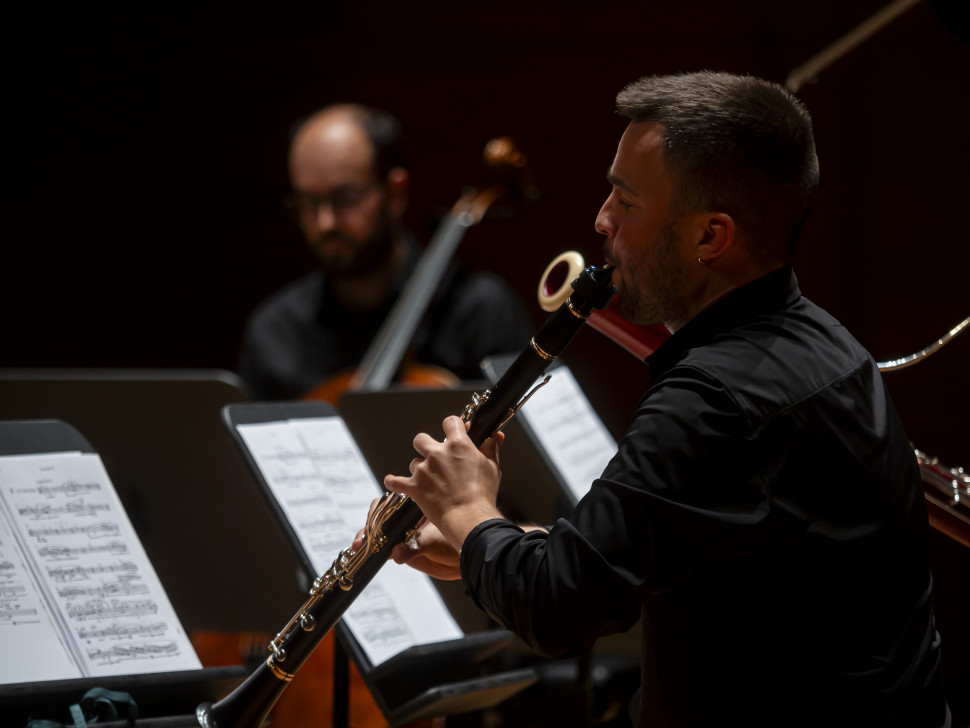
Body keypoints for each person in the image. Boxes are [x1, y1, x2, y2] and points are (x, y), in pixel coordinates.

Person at [378, 72, 951, 726]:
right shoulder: (829, 345)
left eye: (625, 200)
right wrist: (504, 544)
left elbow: (553, 608)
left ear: (711, 236)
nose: (601, 219)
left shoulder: (712, 399)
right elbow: (686, 554)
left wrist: (468, 509)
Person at [238, 103, 532, 401]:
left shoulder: (480, 311)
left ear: (395, 193)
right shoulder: (275, 331)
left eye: (346, 199)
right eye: (308, 203)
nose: (325, 222)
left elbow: (525, 442)